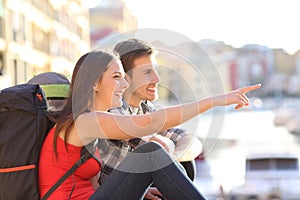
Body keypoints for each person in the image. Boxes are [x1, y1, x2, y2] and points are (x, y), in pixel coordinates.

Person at [38, 50, 260, 200]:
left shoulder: (89, 124)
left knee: (172, 166)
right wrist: (214, 100)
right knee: (151, 152)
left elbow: (94, 188)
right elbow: (149, 122)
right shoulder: (85, 121)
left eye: (124, 77)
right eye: (117, 77)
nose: (124, 85)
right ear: (95, 83)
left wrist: (141, 191)